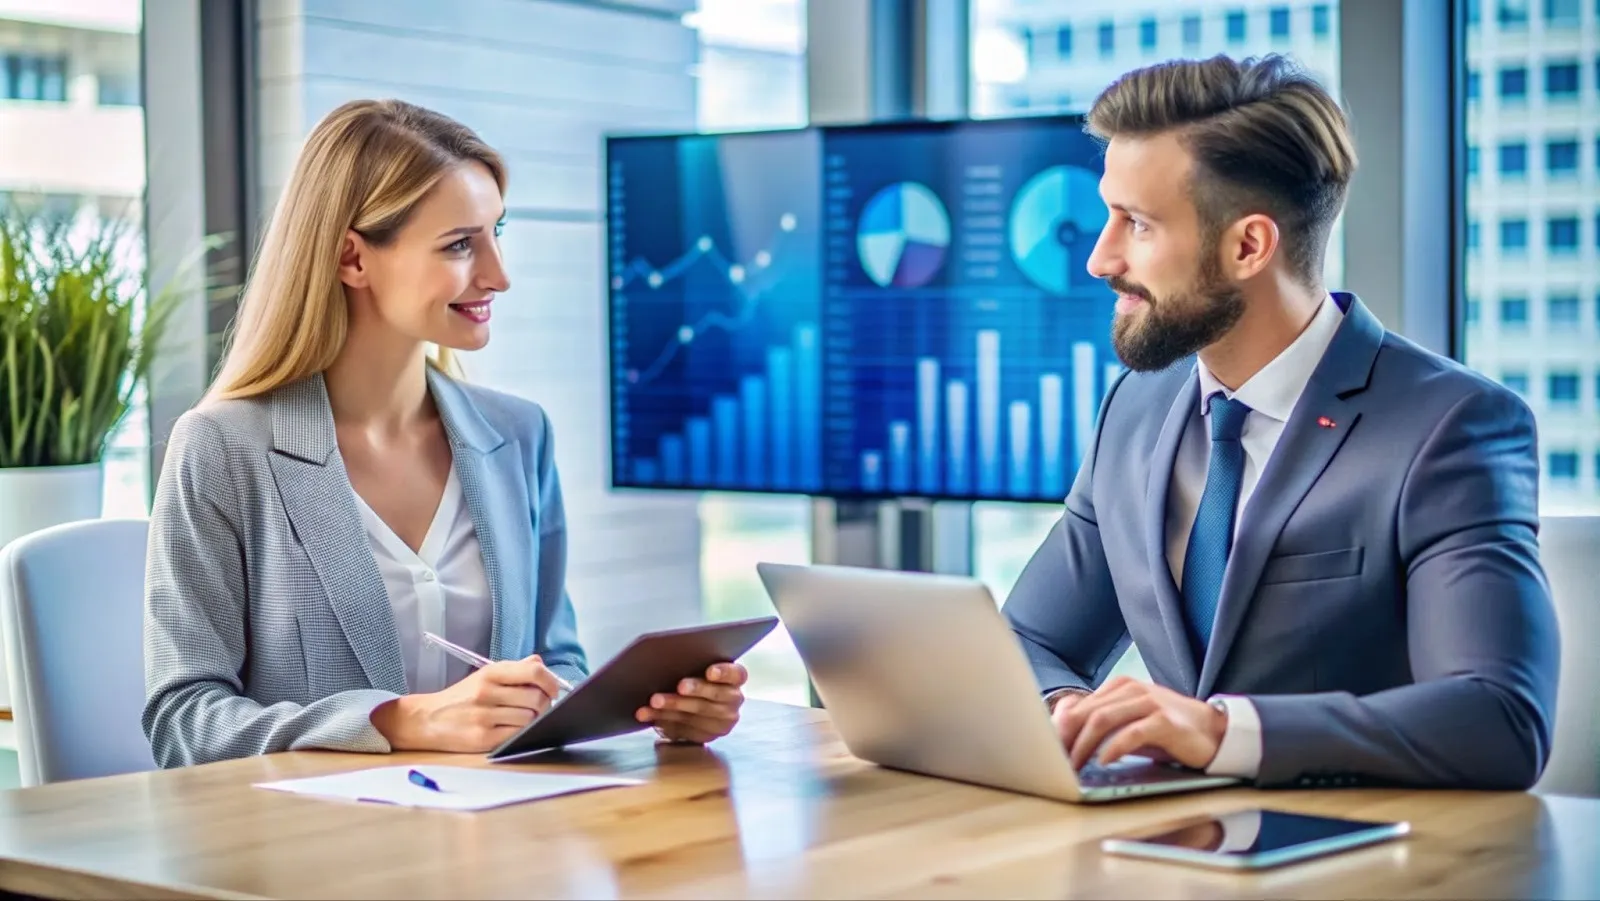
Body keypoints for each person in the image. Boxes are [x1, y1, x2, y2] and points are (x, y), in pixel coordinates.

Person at [1002, 54, 1560, 790]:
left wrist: (1222, 732)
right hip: (1173, 837)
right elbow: (1028, 637)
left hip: (1367, 842)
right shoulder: (1136, 408)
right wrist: (1068, 710)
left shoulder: (1451, 426)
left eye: (1136, 224)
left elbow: (1499, 718)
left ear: (1248, 246)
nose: (1100, 259)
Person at [142, 99, 748, 768]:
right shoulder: (221, 448)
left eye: (496, 233)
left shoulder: (519, 435)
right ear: (351, 258)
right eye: (460, 244)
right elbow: (183, 719)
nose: (499, 275)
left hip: (502, 822)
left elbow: (554, 663)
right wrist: (400, 720)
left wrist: (651, 711)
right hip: (316, 830)